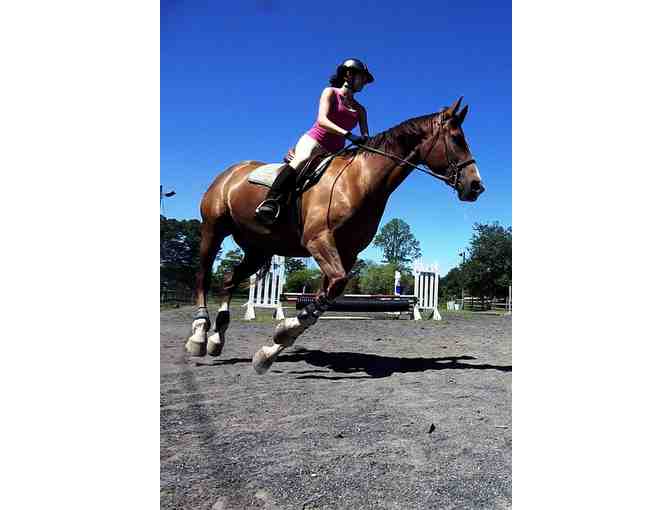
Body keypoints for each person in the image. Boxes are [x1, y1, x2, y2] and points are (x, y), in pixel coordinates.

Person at [255, 58, 374, 225]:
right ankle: (271, 202)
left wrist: (365, 141)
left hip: (336, 152)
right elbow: (322, 120)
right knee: (301, 160)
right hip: (315, 141)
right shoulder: (330, 92)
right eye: (362, 77)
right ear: (348, 75)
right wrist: (348, 135)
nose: (364, 83)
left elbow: (366, 135)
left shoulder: (361, 110)